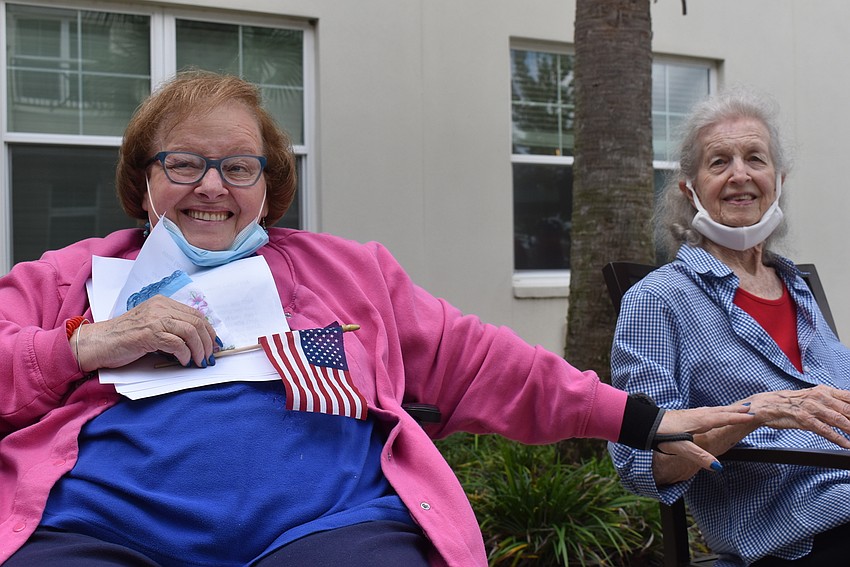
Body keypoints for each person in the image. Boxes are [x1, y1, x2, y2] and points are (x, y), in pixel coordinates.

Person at [0, 70, 752, 567]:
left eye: (238, 165)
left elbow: (481, 362)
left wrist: (642, 419)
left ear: (269, 185)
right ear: (142, 178)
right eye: (183, 163)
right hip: (101, 531)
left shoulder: (347, 272)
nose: (212, 186)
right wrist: (85, 342)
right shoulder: (70, 274)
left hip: (326, 531)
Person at [607, 87, 850, 566]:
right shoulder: (658, 300)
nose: (741, 174)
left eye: (755, 158)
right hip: (799, 533)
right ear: (689, 188)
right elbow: (645, 463)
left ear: (777, 180)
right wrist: (755, 412)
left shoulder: (795, 286)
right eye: (719, 162)